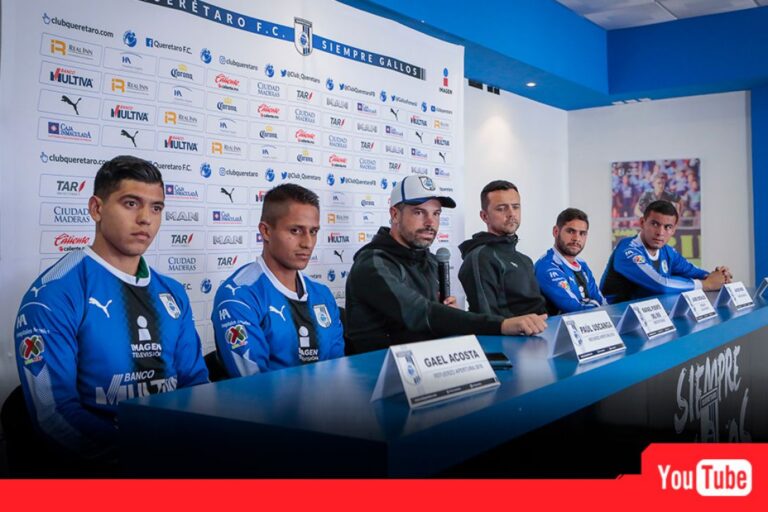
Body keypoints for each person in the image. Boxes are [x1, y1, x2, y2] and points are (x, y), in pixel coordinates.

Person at [13, 155, 208, 466]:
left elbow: (196, 386)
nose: (145, 218)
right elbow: (54, 413)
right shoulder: (54, 294)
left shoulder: (172, 292)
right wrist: (146, 464)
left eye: (156, 208)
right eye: (131, 203)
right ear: (97, 209)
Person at [345, 176, 546, 354]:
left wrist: (449, 313)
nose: (430, 222)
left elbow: (433, 318)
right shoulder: (372, 264)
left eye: (436, 214)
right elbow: (421, 313)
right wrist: (501, 325)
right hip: (379, 373)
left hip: (429, 366)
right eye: (419, 212)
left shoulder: (431, 261)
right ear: (395, 214)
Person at [211, 184, 344, 376]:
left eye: (313, 231)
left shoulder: (322, 294)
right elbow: (254, 385)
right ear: (266, 231)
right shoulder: (238, 296)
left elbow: (338, 372)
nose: (307, 243)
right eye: (295, 230)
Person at [600, 200, 731, 304]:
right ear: (642, 223)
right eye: (655, 224)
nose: (660, 232)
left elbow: (693, 271)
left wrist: (719, 277)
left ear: (673, 230)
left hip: (648, 315)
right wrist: (706, 284)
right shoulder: (628, 250)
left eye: (667, 227)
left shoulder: (668, 252)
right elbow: (660, 284)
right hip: (615, 317)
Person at [458, 180, 548, 319]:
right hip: (512, 333)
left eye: (516, 207)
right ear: (484, 216)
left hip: (545, 328)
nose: (511, 213)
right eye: (501, 208)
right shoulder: (480, 258)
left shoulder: (525, 260)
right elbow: (486, 319)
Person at [535, 208, 604, 314]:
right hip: (558, 325)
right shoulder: (547, 267)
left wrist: (595, 304)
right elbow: (575, 309)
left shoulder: (582, 264)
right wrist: (593, 304)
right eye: (571, 231)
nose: (576, 238)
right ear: (556, 231)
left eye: (582, 233)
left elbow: (602, 303)